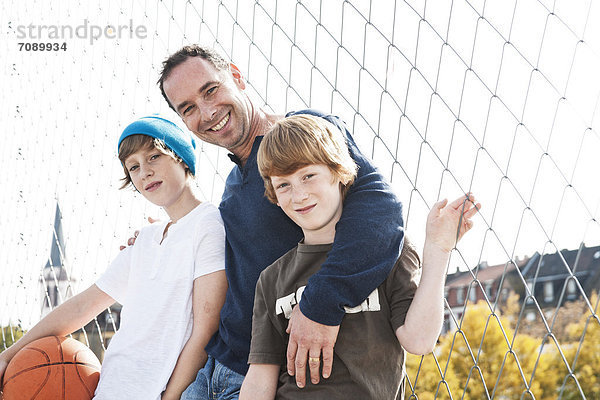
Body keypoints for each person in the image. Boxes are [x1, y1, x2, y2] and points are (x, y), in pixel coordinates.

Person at [156, 45, 405, 398]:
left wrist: (322, 303)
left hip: (265, 374)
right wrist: (158, 239)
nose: (207, 112)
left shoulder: (303, 134)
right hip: (214, 365)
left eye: (210, 90)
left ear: (237, 77)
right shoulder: (232, 185)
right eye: (189, 109)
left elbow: (381, 211)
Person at [239, 114, 481, 399]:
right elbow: (260, 375)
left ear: (339, 172)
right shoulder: (271, 279)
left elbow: (419, 340)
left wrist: (438, 249)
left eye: (308, 176)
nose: (299, 195)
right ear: (273, 195)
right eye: (283, 185)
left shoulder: (388, 253)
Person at [0, 116, 228, 400]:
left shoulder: (207, 223)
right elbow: (83, 305)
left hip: (159, 391)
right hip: (111, 389)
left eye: (154, 156)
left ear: (182, 158)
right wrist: (8, 356)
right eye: (133, 167)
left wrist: (170, 397)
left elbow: (205, 328)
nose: (144, 172)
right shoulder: (145, 239)